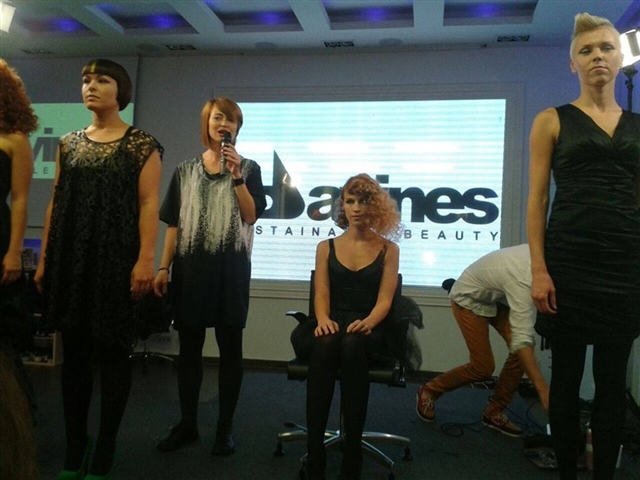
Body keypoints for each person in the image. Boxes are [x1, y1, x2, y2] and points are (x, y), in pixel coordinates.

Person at [34, 59, 163, 480]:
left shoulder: (141, 144)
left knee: (112, 357)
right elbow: (56, 200)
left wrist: (145, 259)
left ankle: (105, 446)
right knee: (74, 359)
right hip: (72, 258)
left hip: (117, 259)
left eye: (102, 80)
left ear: (120, 91)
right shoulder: (68, 143)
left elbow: (149, 205)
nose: (91, 86)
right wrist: (46, 257)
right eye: (86, 80)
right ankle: (76, 446)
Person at [527, 12, 640, 480]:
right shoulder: (551, 120)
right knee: (567, 380)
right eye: (586, 50)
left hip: (624, 265)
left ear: (620, 58)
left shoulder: (639, 126)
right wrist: (539, 269)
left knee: (613, 384)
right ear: (572, 63)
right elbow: (537, 200)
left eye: (606, 48)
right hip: (568, 263)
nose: (597, 56)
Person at [154, 98, 266, 456]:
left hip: (231, 273)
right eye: (219, 117)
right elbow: (174, 225)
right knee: (189, 352)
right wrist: (163, 267)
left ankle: (224, 428)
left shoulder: (250, 168)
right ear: (207, 123)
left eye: (231, 120)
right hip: (191, 272)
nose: (224, 124)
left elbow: (250, 216)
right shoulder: (185, 170)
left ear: (237, 128)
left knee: (231, 351)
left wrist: (237, 176)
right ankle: (187, 424)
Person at [291, 173, 402, 480]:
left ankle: (353, 455)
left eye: (363, 201)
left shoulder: (389, 249)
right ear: (343, 205)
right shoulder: (325, 246)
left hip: (370, 326)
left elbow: (385, 301)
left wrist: (368, 323)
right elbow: (322, 293)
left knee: (352, 342)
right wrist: (323, 319)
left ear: (375, 205)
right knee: (327, 341)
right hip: (331, 320)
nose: (355, 208)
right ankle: (315, 452)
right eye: (350, 201)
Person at [416, 244, 549, 437]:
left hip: (495, 298)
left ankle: (493, 411)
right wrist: (542, 389)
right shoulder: (524, 277)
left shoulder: (545, 257)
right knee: (483, 367)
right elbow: (522, 339)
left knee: (520, 357)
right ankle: (430, 390)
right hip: (468, 297)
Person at [0, 59, 39, 480]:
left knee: (2, 343)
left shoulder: (14, 139)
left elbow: (22, 199)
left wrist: (14, 251)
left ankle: (13, 432)